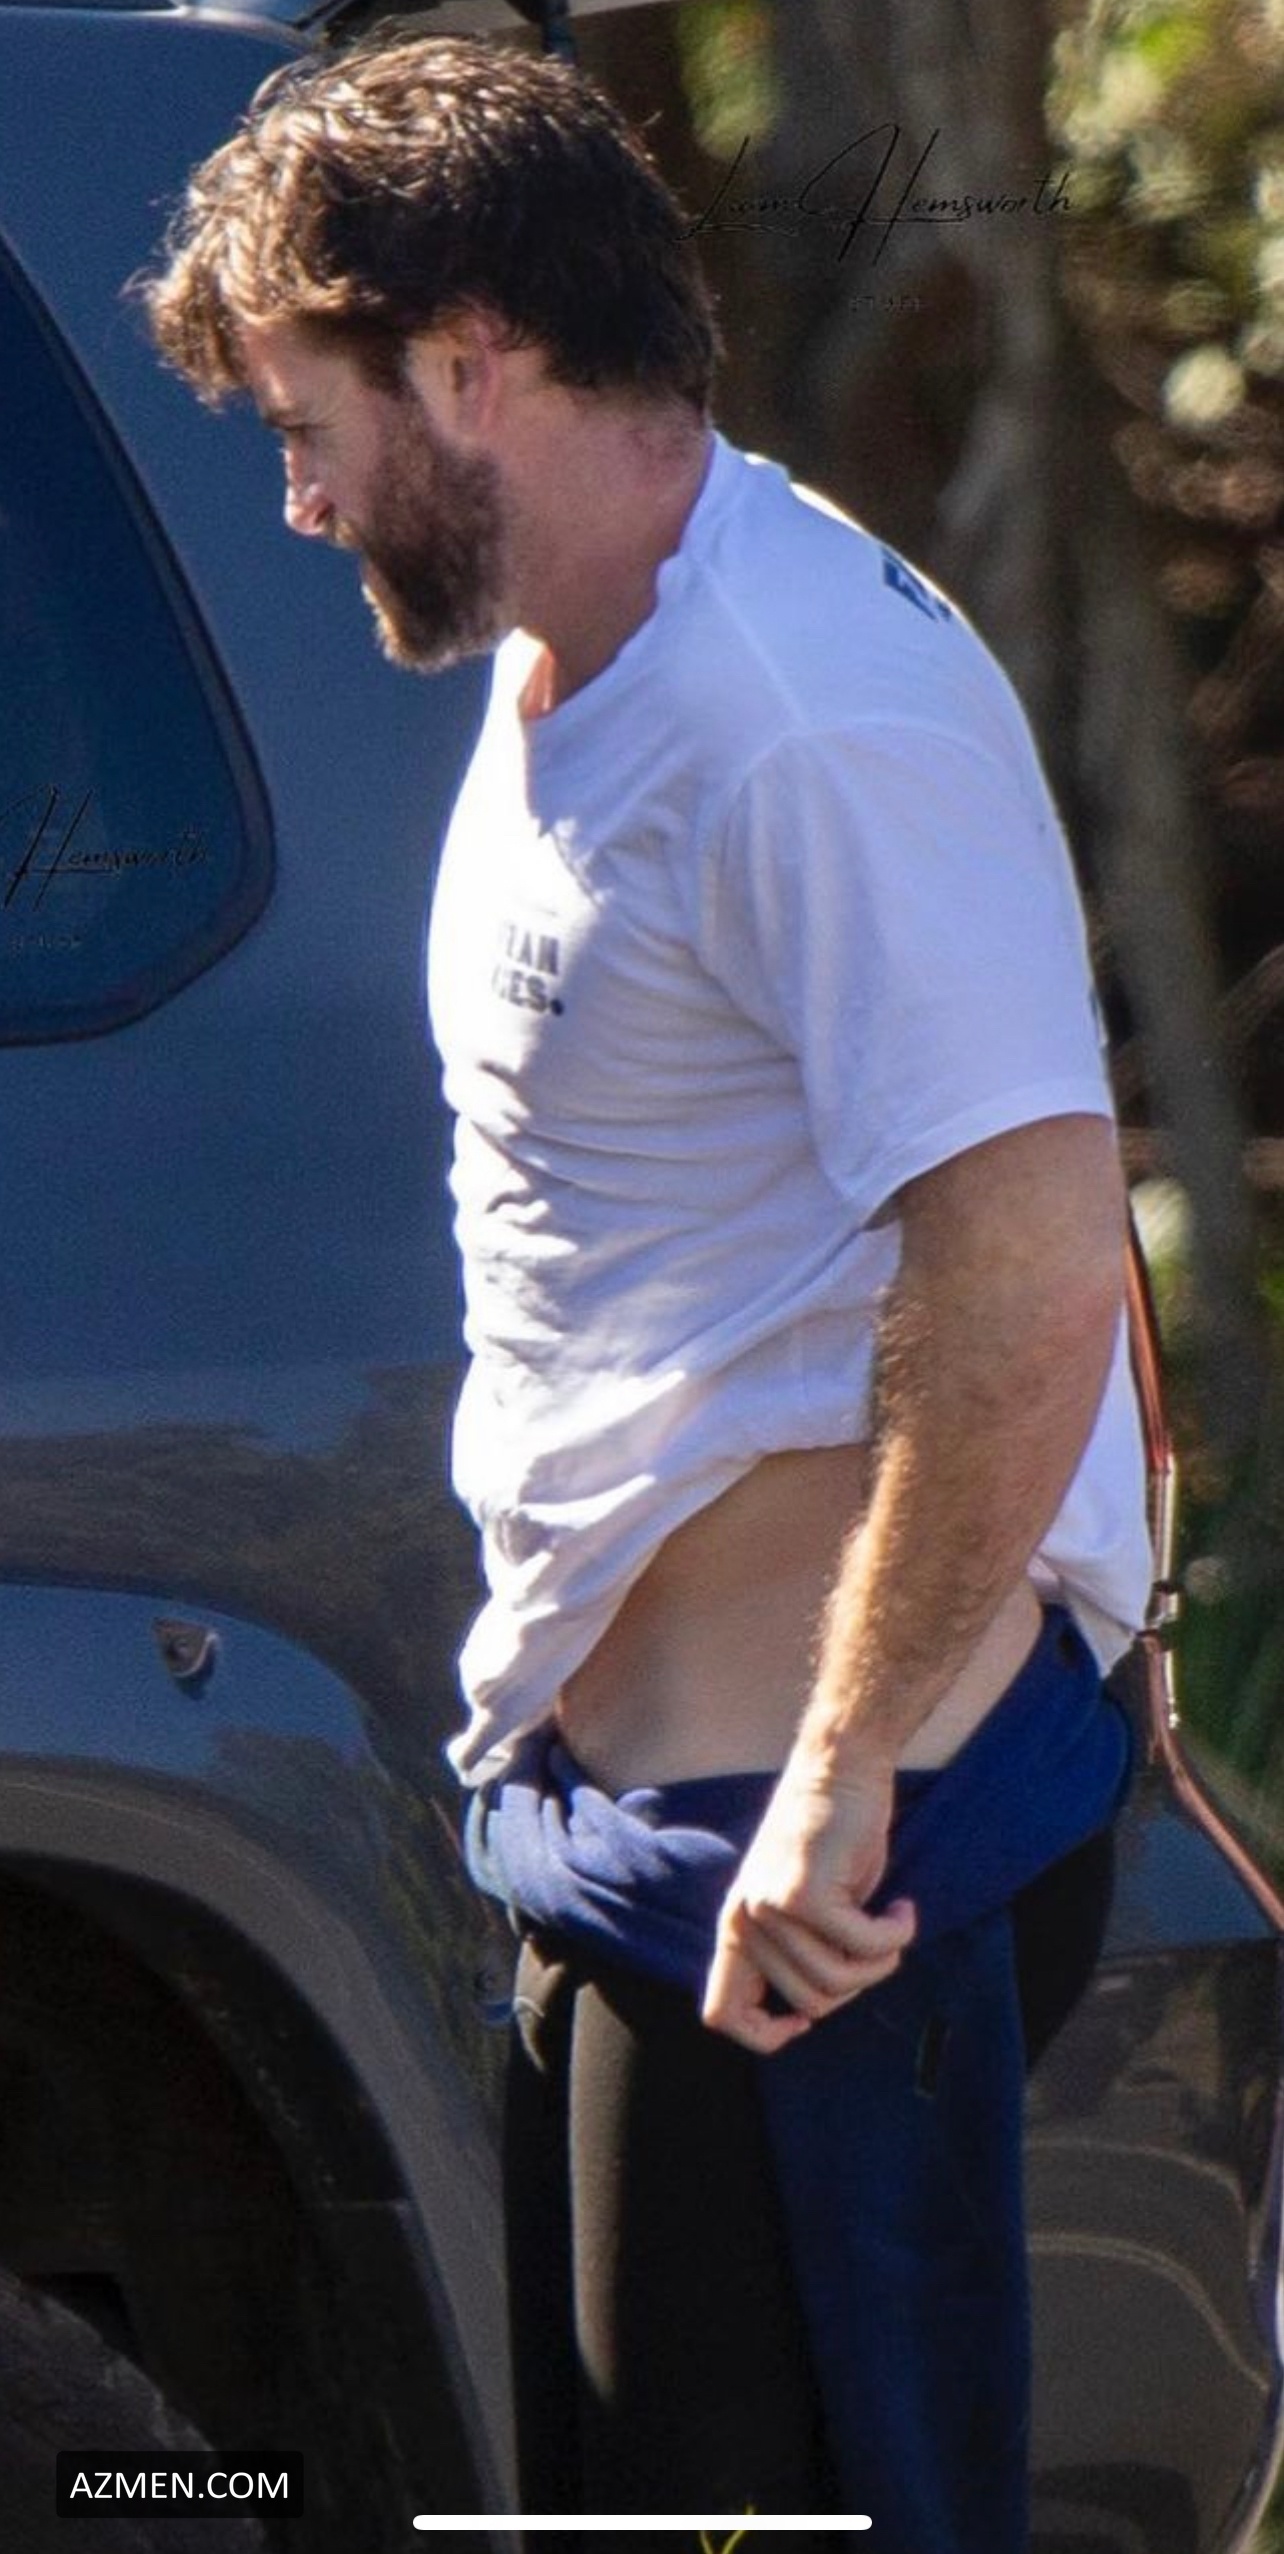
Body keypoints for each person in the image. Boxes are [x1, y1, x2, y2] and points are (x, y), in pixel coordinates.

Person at [140, 25, 1154, 2544]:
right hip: (641, 1830)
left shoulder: (798, 711)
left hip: (814, 1874)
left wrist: (840, 1779)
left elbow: (1036, 1258)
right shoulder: (585, 649)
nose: (296, 498)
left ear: (473, 357)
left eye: (313, 426)